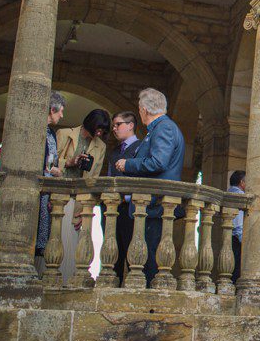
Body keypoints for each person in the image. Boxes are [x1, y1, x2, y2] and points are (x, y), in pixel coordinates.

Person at [116, 88, 185, 286]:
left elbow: (158, 162)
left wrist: (127, 164)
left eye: (139, 109)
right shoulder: (161, 127)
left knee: (149, 262)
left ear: (144, 110)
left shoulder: (164, 127)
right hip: (152, 205)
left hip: (154, 205)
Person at [55, 108, 111, 284]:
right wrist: (70, 162)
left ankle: (67, 283)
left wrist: (88, 208)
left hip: (80, 202)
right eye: (98, 128)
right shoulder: (64, 134)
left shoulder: (100, 146)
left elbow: (94, 178)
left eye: (103, 130)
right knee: (57, 240)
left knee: (74, 244)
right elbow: (51, 163)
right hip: (59, 196)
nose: (99, 132)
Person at [107, 111, 141, 285]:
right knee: (113, 254)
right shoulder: (114, 151)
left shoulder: (140, 148)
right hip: (112, 209)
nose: (114, 128)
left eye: (118, 124)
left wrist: (126, 197)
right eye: (113, 125)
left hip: (130, 209)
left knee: (131, 252)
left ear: (130, 125)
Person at [35, 92, 65, 277]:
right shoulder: (36, 130)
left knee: (43, 237)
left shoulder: (51, 132)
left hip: (47, 191)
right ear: (52, 109)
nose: (62, 115)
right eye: (60, 111)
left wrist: (55, 169)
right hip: (36, 190)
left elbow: (50, 159)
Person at [228, 170, 246, 284]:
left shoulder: (229, 192)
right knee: (236, 269)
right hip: (237, 238)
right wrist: (243, 241)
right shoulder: (239, 195)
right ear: (242, 182)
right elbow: (238, 223)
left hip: (229, 235)